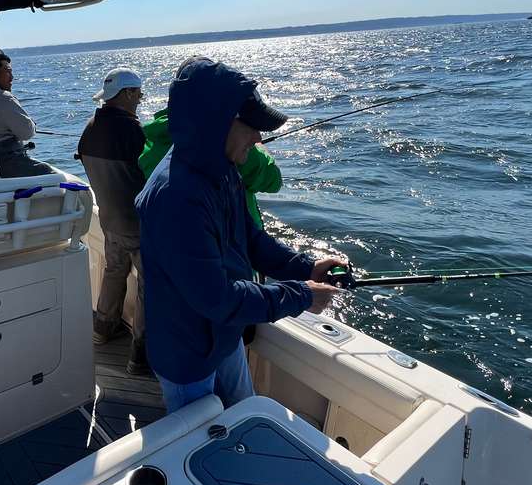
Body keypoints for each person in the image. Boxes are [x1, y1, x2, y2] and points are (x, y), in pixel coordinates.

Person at [135, 59, 345, 413]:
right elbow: (216, 298)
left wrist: (305, 268)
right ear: (219, 124)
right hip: (188, 353)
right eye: (252, 127)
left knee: (242, 414)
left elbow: (247, 236)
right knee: (204, 441)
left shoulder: (221, 169)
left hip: (224, 335)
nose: (259, 138)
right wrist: (301, 296)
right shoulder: (176, 197)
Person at [139, 57, 282, 229]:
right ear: (217, 120)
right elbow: (272, 180)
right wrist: (260, 150)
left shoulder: (151, 146)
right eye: (250, 126)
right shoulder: (191, 192)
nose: (258, 137)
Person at [77, 68, 150, 376]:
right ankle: (140, 354)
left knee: (114, 270)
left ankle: (102, 328)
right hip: (136, 223)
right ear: (128, 94)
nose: (140, 101)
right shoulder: (133, 131)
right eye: (139, 94)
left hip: (108, 219)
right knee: (150, 284)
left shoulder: (90, 127)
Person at [0, 48, 53, 177]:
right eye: (7, 71)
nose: (12, 77)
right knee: (50, 173)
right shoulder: (1, 97)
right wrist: (32, 124)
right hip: (6, 161)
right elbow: (26, 132)